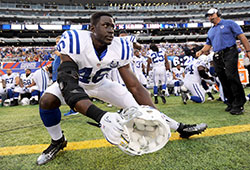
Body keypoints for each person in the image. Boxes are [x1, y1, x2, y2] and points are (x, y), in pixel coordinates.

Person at [36, 12, 207, 165]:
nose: (111, 30)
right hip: (77, 83)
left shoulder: (121, 47)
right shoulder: (75, 40)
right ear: (92, 28)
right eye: (106, 25)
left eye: (113, 26)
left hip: (101, 84)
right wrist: (101, 117)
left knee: (137, 109)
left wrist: (153, 114)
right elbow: (69, 85)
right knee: (47, 100)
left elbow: (134, 86)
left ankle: (179, 127)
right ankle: (58, 140)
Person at [196, 8, 250, 115]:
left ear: (218, 14)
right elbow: (208, 44)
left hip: (229, 52)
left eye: (212, 15)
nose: (210, 17)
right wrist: (201, 51)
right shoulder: (211, 30)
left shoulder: (229, 23)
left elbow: (242, 37)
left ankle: (239, 103)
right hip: (217, 55)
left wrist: (248, 50)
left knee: (232, 76)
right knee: (223, 78)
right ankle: (231, 102)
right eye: (209, 15)